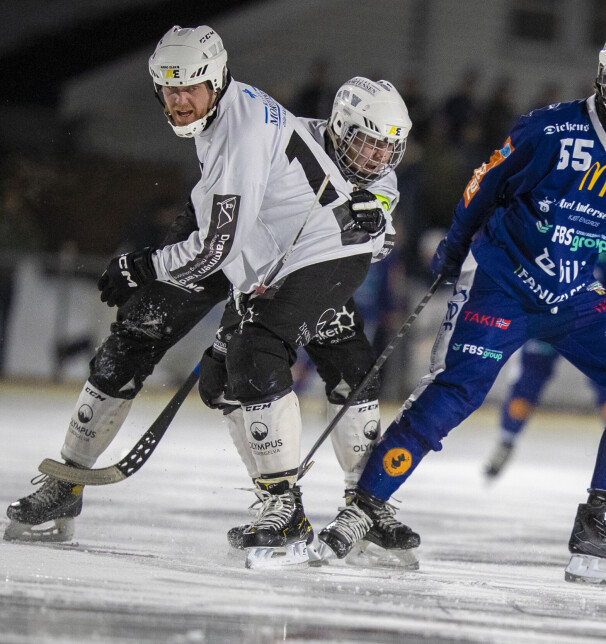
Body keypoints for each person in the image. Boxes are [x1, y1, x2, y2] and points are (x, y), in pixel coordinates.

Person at [5, 26, 415, 568]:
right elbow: (248, 211)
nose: (179, 102)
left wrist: (146, 265)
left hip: (279, 250)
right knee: (139, 336)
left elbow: (370, 203)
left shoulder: (249, 130)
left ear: (218, 80)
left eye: (191, 88)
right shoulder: (259, 117)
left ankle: (350, 503)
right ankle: (70, 479)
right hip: (237, 235)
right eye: (169, 90)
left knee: (337, 361)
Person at [313, 30, 606, 587]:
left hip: (573, 293)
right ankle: (366, 506)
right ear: (604, 80)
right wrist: (455, 246)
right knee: (454, 393)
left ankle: (598, 522)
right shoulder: (547, 129)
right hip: (500, 283)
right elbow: (484, 185)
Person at [482, 236, 606, 480]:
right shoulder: (556, 207)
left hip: (593, 313)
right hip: (551, 310)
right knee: (530, 377)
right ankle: (507, 438)